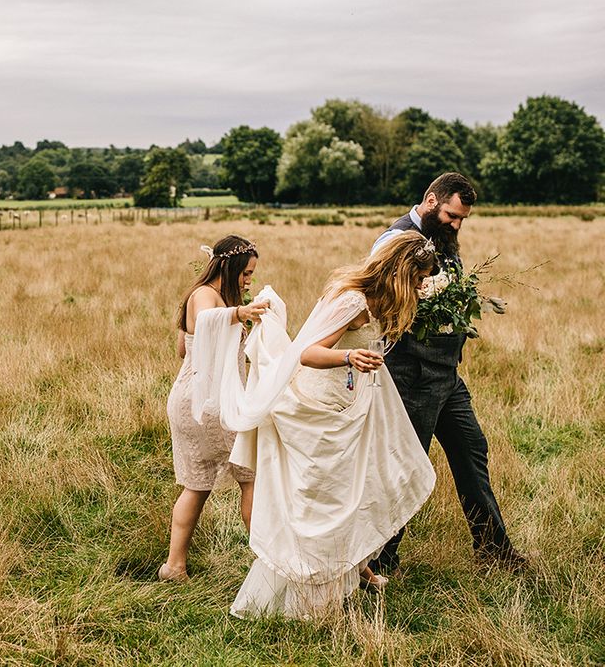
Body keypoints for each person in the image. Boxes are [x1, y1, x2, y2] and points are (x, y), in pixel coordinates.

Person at [214, 232, 438, 618]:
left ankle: (353, 569)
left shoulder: (380, 299)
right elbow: (308, 353)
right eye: (417, 280)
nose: (421, 287)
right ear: (400, 273)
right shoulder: (352, 300)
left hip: (349, 405)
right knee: (325, 503)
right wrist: (350, 356)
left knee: (359, 489)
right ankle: (310, 598)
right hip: (320, 408)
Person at [369, 172, 527, 575]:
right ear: (430, 199)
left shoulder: (444, 242)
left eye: (462, 219)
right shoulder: (394, 240)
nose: (456, 224)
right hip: (410, 376)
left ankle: (493, 550)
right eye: (452, 215)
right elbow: (378, 302)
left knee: (472, 451)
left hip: (447, 376)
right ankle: (378, 561)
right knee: (407, 467)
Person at [159, 235, 270, 582]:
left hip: (190, 399)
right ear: (228, 265)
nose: (249, 280)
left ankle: (174, 567)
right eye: (246, 273)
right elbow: (208, 321)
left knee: (197, 484)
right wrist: (238, 313)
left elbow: (183, 348)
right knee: (253, 479)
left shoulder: (203, 296)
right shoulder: (206, 296)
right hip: (211, 404)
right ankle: (268, 569)